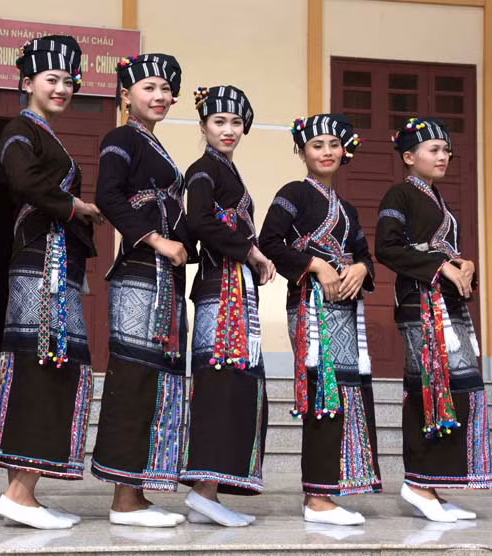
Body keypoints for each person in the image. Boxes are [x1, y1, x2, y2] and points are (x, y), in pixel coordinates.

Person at [0, 35, 102, 530]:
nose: (61, 88)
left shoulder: (45, 134)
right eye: (51, 79)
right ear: (27, 82)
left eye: (68, 81)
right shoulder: (19, 129)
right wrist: (75, 206)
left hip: (56, 265)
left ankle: (25, 492)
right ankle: (18, 493)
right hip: (41, 266)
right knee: (43, 365)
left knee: (52, 365)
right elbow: (24, 181)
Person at [259, 114, 381, 525]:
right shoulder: (293, 194)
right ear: (301, 152)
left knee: (346, 394)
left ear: (345, 151)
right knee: (322, 394)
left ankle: (331, 491)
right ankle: (317, 499)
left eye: (333, 144)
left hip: (346, 312)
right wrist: (315, 264)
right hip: (310, 309)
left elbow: (364, 255)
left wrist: (361, 269)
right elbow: (269, 241)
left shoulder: (347, 208)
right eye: (317, 145)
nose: (326, 152)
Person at [92, 53, 196, 528]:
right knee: (134, 376)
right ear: (125, 95)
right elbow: (108, 196)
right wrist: (157, 240)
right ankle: (124, 499)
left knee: (157, 378)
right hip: (139, 273)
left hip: (165, 277)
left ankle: (137, 491)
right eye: (148, 87)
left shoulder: (155, 145)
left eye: (165, 89)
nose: (158, 96)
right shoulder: (121, 138)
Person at [375, 116, 492, 522]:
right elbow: (387, 247)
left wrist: (465, 265)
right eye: (434, 150)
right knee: (429, 389)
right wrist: (441, 267)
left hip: (447, 306)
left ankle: (432, 485)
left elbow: (442, 251)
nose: (444, 156)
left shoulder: (439, 200)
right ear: (409, 157)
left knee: (457, 389)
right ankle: (418, 484)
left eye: (446, 150)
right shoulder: (399, 194)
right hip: (420, 307)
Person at [180, 85, 276, 527]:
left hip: (235, 289)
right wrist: (251, 251)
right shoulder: (203, 170)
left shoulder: (227, 171)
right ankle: (202, 490)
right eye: (219, 121)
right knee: (220, 384)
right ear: (203, 126)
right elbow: (200, 221)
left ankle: (209, 493)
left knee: (236, 386)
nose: (228, 129)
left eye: (236, 122)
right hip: (220, 291)